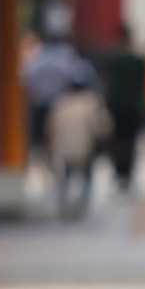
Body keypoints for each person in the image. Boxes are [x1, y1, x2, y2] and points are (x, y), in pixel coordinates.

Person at [47, 65, 110, 219]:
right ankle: (81, 206)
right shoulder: (91, 103)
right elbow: (101, 126)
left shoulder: (61, 103)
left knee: (66, 177)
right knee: (87, 177)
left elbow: (51, 127)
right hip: (85, 148)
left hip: (65, 149)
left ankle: (64, 204)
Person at [99, 25, 145, 193]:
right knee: (130, 142)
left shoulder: (113, 61)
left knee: (118, 142)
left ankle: (119, 172)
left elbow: (106, 83)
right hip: (132, 108)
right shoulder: (137, 62)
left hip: (117, 107)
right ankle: (127, 174)